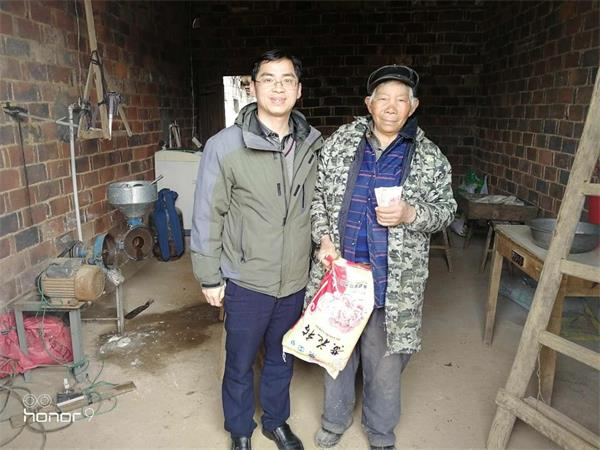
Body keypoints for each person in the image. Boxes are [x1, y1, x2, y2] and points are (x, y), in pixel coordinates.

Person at [307, 65, 457, 450]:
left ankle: (379, 430)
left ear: (413, 106)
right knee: (336, 352)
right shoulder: (341, 142)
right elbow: (318, 196)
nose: (391, 107)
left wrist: (411, 213)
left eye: (401, 100)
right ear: (369, 104)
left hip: (392, 280)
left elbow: (446, 210)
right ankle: (334, 420)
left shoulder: (429, 157)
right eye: (383, 99)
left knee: (385, 362)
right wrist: (324, 239)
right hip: (341, 273)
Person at [190, 49, 322, 450]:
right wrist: (209, 276)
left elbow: (322, 205)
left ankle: (276, 422)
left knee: (283, 358)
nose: (278, 87)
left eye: (287, 79)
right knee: (240, 360)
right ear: (253, 87)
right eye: (268, 78)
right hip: (247, 277)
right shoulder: (225, 145)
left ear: (298, 90)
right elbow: (208, 213)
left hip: (294, 277)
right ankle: (240, 430)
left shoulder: (313, 143)